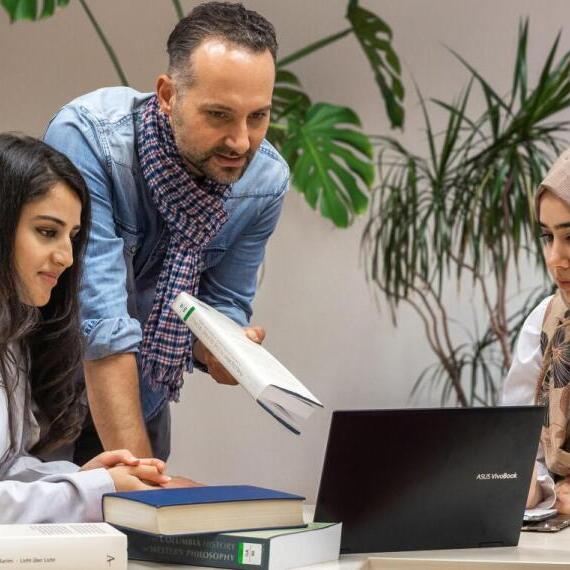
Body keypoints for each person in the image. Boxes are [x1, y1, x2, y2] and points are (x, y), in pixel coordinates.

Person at [43, 1, 288, 464]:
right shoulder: (91, 137)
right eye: (219, 115)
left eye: (257, 116)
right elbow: (101, 322)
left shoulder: (264, 182)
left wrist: (224, 351)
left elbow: (222, 304)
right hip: (44, 389)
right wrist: (146, 485)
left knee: (146, 513)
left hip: (143, 390)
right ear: (168, 95)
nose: (241, 141)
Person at [0, 133, 172, 523]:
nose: (66, 256)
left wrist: (83, 477)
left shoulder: (14, 335)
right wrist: (92, 490)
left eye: (73, 237)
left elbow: (8, 468)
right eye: (47, 231)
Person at [503, 148, 570, 513]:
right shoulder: (545, 322)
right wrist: (535, 487)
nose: (554, 258)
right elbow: (518, 448)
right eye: (547, 237)